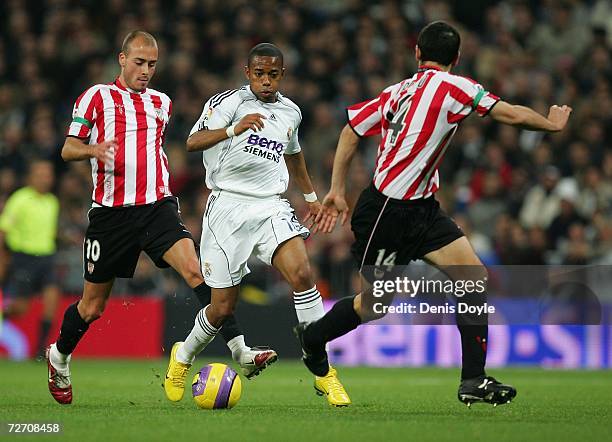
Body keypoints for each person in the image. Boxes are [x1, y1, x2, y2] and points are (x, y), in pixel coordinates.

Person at [296, 21, 572, 407]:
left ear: (416, 54)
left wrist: (338, 189)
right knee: (375, 307)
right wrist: (551, 124)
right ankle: (312, 339)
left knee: (473, 277)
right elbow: (507, 114)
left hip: (422, 210)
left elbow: (350, 130)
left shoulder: (396, 91)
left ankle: (473, 379)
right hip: (388, 213)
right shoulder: (456, 87)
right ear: (456, 58)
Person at [45, 31, 276, 406]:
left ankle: (240, 350)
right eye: (139, 62)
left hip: (157, 207)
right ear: (122, 59)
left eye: (152, 64)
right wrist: (94, 150)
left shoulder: (161, 103)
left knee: (198, 272)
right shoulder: (97, 97)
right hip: (111, 215)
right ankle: (59, 356)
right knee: (92, 307)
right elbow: (68, 149)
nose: (146, 71)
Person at [164, 43, 351, 407]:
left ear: (282, 74)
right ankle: (182, 357)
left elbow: (294, 155)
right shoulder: (227, 103)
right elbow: (191, 142)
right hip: (227, 207)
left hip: (270, 206)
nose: (266, 80)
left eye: (274, 74)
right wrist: (234, 129)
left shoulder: (291, 112)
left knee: (302, 274)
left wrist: (311, 198)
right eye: (260, 73)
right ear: (248, 73)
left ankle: (324, 373)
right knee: (221, 308)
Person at [0, 159, 60, 359]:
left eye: (48, 175)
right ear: (31, 177)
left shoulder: (53, 202)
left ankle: (40, 349)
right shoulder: (20, 199)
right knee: (21, 308)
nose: (45, 179)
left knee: (52, 299)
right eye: (41, 175)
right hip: (23, 258)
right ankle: (4, 313)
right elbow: (4, 229)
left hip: (46, 257)